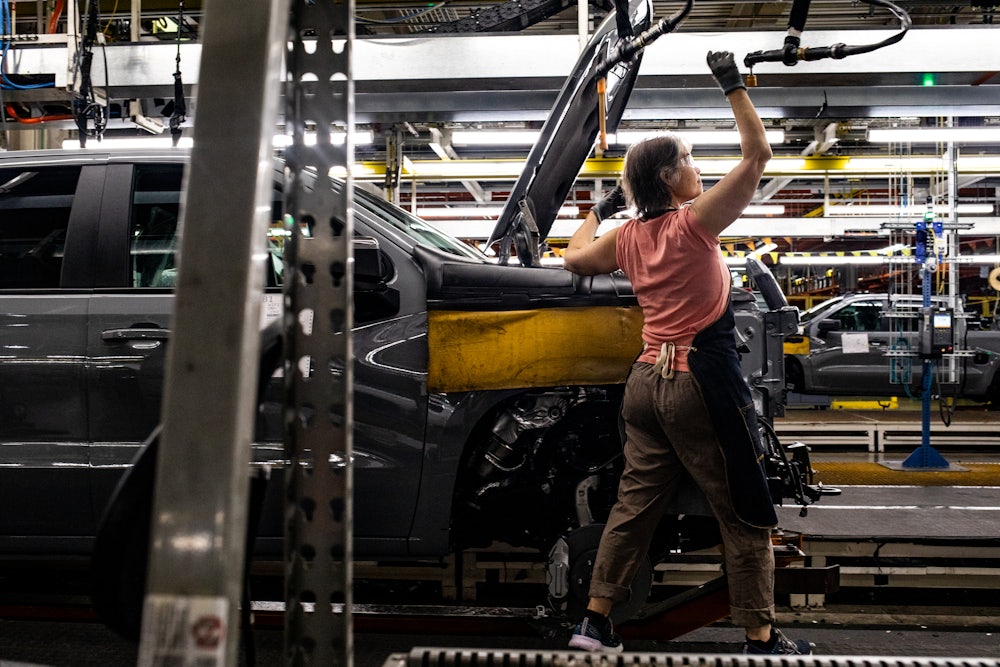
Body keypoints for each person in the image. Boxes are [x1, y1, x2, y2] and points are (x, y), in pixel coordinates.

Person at [561, 51, 812, 656]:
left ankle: (594, 622)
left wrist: (599, 210)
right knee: (742, 507)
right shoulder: (693, 225)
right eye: (691, 161)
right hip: (699, 380)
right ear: (671, 179)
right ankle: (759, 634)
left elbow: (572, 257)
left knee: (634, 504)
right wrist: (732, 86)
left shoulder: (627, 236)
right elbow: (758, 156)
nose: (698, 169)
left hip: (645, 382)